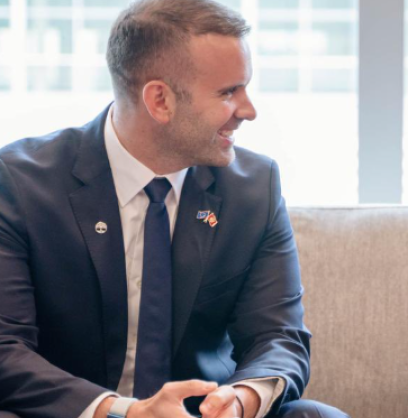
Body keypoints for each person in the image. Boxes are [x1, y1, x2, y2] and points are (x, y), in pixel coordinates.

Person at [0, 1, 348, 418]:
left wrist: (240, 400)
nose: (248, 110)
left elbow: (278, 336)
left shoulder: (254, 187)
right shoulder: (21, 183)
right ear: (160, 100)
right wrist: (125, 412)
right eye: (228, 92)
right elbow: (6, 348)